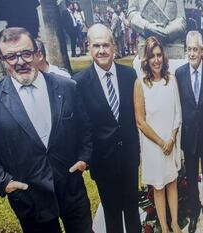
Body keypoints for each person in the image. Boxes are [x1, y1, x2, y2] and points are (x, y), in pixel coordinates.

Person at [0, 27, 92, 233]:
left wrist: (84, 158)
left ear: (37, 53)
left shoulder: (67, 87)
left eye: (26, 53)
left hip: (72, 191)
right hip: (29, 198)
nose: (20, 61)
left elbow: (85, 128)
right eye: (11, 56)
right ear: (2, 59)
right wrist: (3, 182)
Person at [73, 24, 141, 233]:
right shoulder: (79, 83)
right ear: (89, 47)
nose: (101, 50)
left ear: (114, 46)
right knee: (112, 215)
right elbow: (81, 127)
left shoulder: (130, 76)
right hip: (103, 164)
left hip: (129, 159)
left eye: (105, 45)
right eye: (96, 45)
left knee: (132, 211)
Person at [134, 36, 182, 233]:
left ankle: (175, 223)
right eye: (152, 56)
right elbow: (140, 121)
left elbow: (178, 113)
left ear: (163, 56)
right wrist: (161, 142)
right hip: (154, 147)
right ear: (146, 59)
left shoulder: (171, 81)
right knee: (159, 188)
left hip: (170, 143)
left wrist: (171, 139)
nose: (156, 60)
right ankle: (164, 227)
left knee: (172, 183)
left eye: (159, 55)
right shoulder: (140, 84)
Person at [175, 31, 203, 233]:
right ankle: (195, 212)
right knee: (191, 177)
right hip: (189, 136)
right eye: (189, 49)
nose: (192, 53)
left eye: (195, 49)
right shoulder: (180, 74)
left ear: (202, 50)